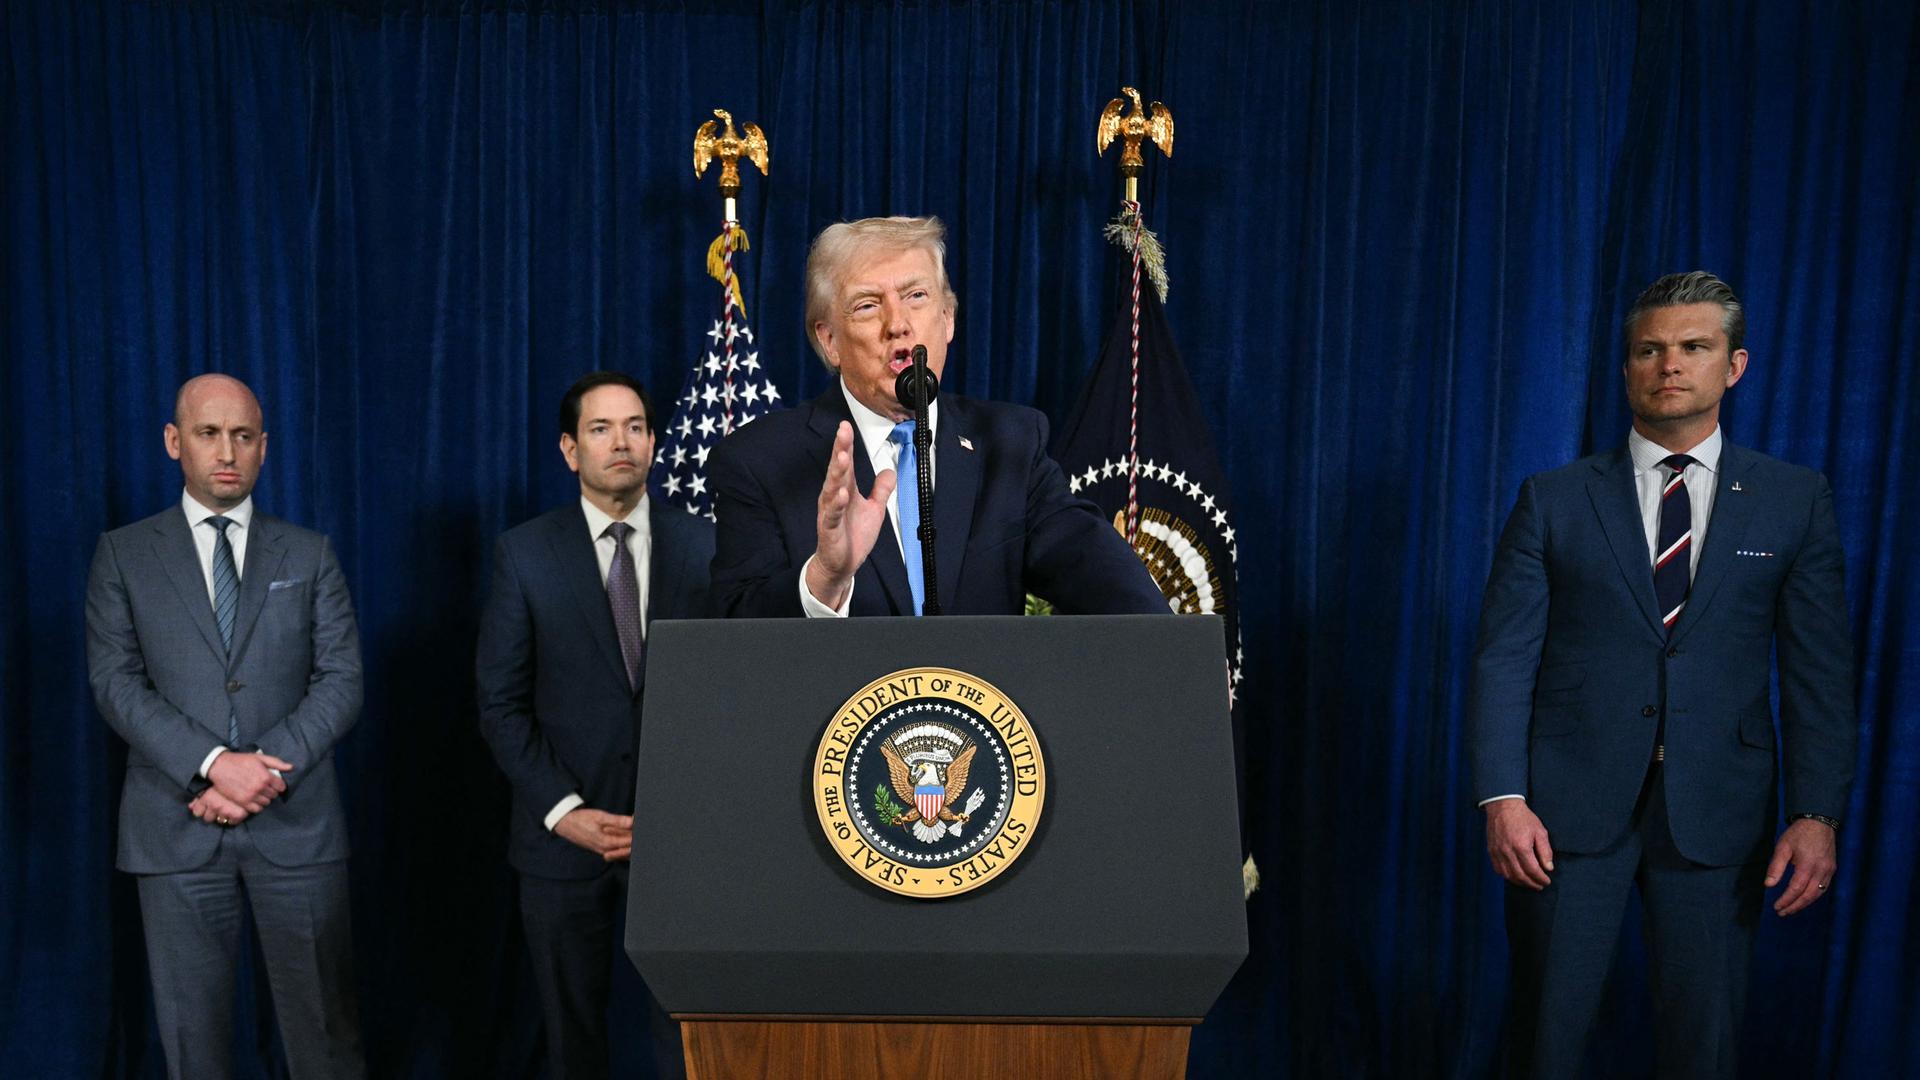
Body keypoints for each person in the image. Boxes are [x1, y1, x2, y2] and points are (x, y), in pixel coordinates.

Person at [1468, 271, 1856, 1077]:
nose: (1668, 365)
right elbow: (1505, 656)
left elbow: (1819, 673)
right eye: (1649, 350)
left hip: (1720, 816)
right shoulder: (1554, 499)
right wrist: (1502, 796)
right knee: (1545, 1041)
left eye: (1692, 347)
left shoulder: (1794, 500)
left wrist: (1817, 812)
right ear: (1627, 369)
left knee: (1703, 1049)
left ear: (1734, 365)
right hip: (1562, 819)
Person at [85, 373, 366, 1079]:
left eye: (243, 435)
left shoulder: (310, 553)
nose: (227, 451)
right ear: (174, 442)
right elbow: (116, 684)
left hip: (297, 831)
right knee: (194, 1048)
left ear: (264, 447)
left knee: (325, 1042)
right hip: (174, 829)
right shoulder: (123, 554)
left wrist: (259, 773)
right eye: (209, 434)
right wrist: (214, 763)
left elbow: (342, 681)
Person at [708, 215, 1166, 618]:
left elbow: (1095, 570)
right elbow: (732, 639)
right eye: (868, 305)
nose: (898, 324)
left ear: (947, 319)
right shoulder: (761, 461)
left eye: (917, 296)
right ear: (829, 341)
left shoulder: (1010, 443)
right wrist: (825, 577)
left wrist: (1184, 658)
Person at [475, 371, 712, 1080]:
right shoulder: (524, 555)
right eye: (602, 429)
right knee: (573, 1044)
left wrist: (677, 810)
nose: (622, 442)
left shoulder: (705, 546)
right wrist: (566, 813)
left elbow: (728, 698)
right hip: (562, 848)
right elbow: (500, 705)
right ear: (570, 450)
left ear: (654, 442)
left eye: (636, 426)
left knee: (685, 1043)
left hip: (677, 843)